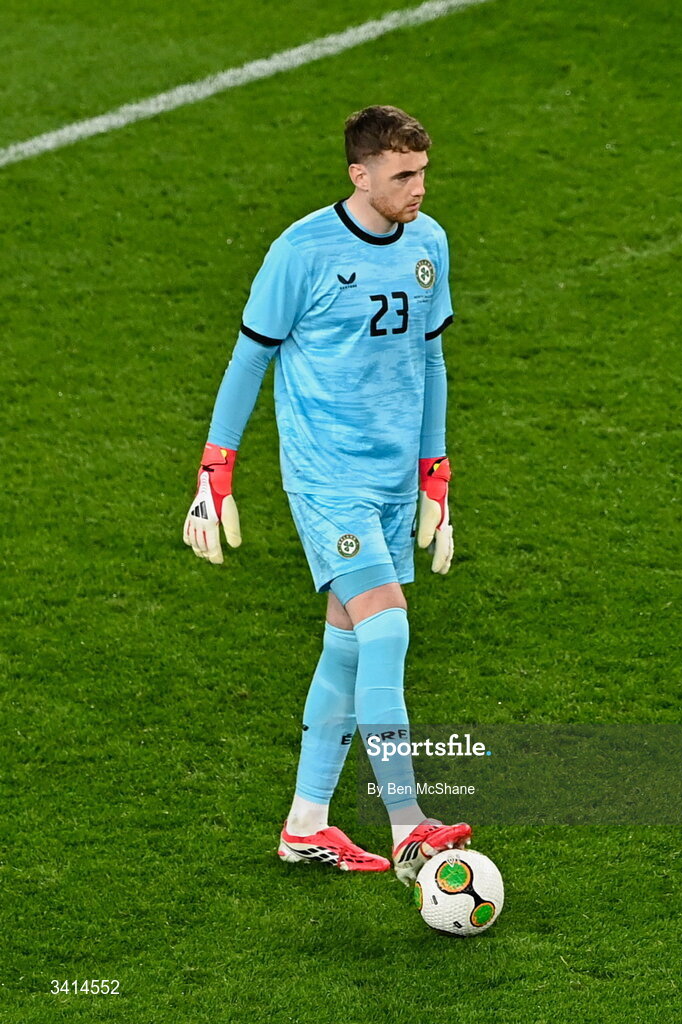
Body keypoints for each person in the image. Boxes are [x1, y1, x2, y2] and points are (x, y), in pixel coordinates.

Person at [183, 105, 471, 883]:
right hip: (327, 481)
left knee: (346, 643)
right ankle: (409, 823)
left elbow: (432, 363)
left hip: (389, 482)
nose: (417, 189)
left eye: (423, 173)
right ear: (360, 173)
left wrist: (433, 473)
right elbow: (250, 361)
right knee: (387, 631)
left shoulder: (429, 243)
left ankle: (306, 824)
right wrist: (217, 471)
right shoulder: (301, 251)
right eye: (402, 175)